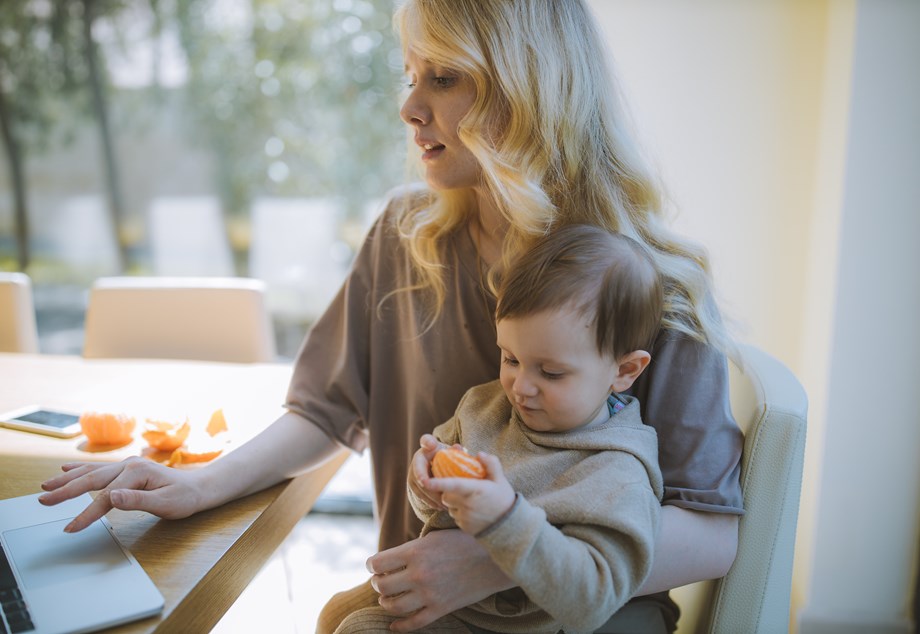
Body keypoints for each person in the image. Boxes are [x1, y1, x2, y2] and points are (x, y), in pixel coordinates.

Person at [38, 0, 744, 632]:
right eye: (411, 76)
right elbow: (325, 411)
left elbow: (712, 533)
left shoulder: (653, 278)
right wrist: (200, 483)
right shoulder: (407, 236)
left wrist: (496, 560)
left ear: (527, 87)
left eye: (444, 78)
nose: (410, 108)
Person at [336, 225, 665, 634]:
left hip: (506, 627)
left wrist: (505, 520)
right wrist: (426, 485)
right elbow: (434, 512)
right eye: (510, 358)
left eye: (551, 372)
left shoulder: (616, 473)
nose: (520, 387)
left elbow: (592, 599)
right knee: (337, 615)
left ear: (625, 370)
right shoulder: (485, 407)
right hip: (447, 602)